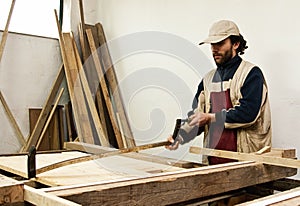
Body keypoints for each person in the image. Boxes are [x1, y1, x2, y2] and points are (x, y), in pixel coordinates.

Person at [166, 20, 272, 165]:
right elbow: (197, 116)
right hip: (214, 161)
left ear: (235, 44)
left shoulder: (251, 74)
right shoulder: (208, 80)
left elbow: (248, 113)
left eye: (220, 43)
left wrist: (210, 117)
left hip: (245, 161)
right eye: (212, 45)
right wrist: (179, 136)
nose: (214, 49)